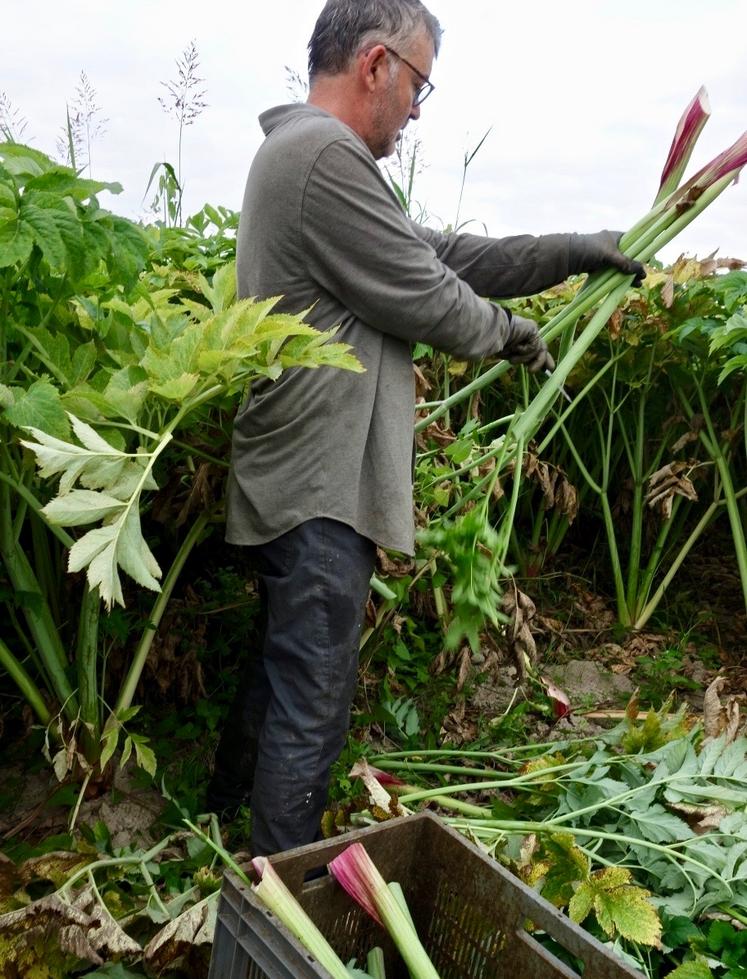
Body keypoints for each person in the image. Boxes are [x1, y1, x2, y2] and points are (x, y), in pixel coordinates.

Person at [207, 0, 644, 856]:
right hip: (319, 480)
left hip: (297, 472)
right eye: (419, 85)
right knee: (312, 703)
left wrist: (573, 247)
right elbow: (429, 295)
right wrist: (512, 336)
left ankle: (223, 823)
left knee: (282, 672)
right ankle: (275, 893)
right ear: (375, 64)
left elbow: (446, 255)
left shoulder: (307, 156)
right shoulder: (324, 155)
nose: (415, 108)